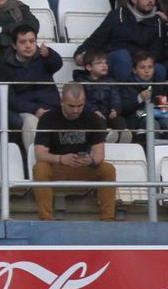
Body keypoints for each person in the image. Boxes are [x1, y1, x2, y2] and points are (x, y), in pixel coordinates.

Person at [29, 83, 116, 221]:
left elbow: (99, 154)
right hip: (57, 167)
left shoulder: (93, 119)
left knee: (108, 169)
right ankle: (46, 219)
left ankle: (108, 219)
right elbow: (40, 154)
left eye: (80, 105)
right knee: (40, 169)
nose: (76, 110)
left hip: (82, 167)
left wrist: (91, 161)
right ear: (62, 101)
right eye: (71, 106)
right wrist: (61, 159)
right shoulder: (48, 118)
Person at [77, 0, 168, 82]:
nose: (150, 0)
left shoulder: (158, 22)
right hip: (115, 60)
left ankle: (150, 97)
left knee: (159, 69)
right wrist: (81, 52)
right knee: (123, 56)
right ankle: (123, 95)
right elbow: (98, 38)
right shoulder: (117, 15)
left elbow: (157, 52)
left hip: (140, 63)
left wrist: (138, 66)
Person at [0, 23, 62, 154]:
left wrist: (49, 54)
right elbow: (10, 98)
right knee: (30, 121)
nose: (28, 45)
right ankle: (35, 161)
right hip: (26, 110)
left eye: (32, 41)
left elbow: (57, 64)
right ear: (14, 45)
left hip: (51, 107)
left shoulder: (44, 58)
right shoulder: (6, 66)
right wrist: (35, 109)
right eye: (23, 42)